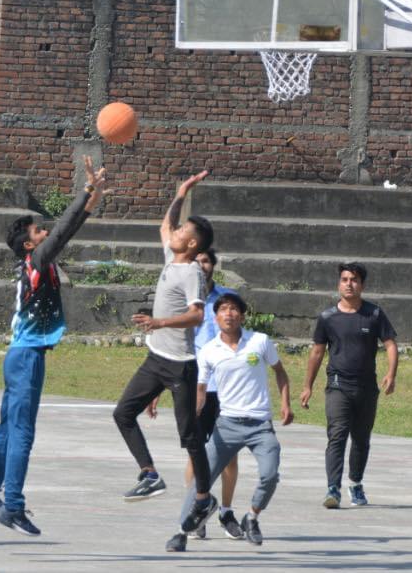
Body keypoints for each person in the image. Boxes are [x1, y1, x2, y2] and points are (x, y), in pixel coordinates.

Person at [0, 157, 107, 537]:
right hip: (26, 357)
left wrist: (91, 200)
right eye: (38, 229)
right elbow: (62, 232)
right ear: (29, 243)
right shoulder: (36, 259)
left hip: (22, 355)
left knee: (7, 428)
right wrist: (84, 193)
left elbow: (66, 232)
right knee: (22, 433)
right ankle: (12, 505)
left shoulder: (37, 260)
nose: (44, 231)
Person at [112, 170, 216, 530]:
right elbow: (164, 225)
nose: (174, 232)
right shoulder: (171, 258)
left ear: (191, 245)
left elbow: (197, 315)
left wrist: (160, 323)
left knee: (190, 437)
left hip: (181, 366)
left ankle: (204, 497)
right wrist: (182, 191)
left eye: (182, 232)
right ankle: (150, 473)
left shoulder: (191, 273)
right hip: (156, 360)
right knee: (123, 414)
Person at [166, 292, 293, 552]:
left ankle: (252, 517)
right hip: (227, 425)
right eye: (223, 309)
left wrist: (285, 403)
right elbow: (201, 389)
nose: (229, 314)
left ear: (242, 315)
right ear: (215, 317)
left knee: (270, 475)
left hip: (260, 425)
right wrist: (194, 416)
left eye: (234, 309)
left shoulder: (259, 341)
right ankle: (181, 531)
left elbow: (280, 372)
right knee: (202, 480)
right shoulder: (210, 350)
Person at [154, 248, 245, 539]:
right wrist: (155, 388)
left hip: (228, 389)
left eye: (206, 261)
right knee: (196, 453)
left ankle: (226, 512)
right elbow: (164, 342)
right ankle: (197, 511)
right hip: (194, 386)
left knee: (229, 455)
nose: (201, 266)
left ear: (213, 266)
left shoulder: (227, 300)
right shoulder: (181, 300)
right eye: (197, 261)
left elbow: (242, 343)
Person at [300, 262, 398, 508]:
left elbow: (390, 344)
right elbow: (317, 352)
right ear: (339, 283)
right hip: (337, 385)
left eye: (354, 279)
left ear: (362, 285)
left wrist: (391, 374)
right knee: (337, 435)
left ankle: (355, 483)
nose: (349, 284)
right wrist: (307, 386)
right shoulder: (327, 317)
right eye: (344, 279)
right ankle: (333, 488)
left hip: (366, 387)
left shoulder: (374, 314)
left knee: (361, 439)